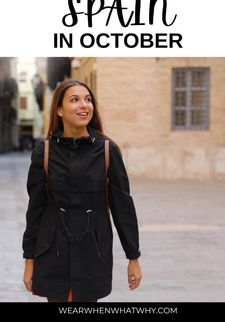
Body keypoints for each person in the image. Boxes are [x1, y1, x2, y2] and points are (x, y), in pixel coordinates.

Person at [22, 79, 142, 302]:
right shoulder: (44, 152)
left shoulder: (107, 150)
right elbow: (35, 211)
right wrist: (29, 261)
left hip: (92, 251)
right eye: (74, 100)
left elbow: (123, 207)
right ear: (59, 109)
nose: (84, 105)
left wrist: (133, 256)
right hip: (52, 251)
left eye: (88, 100)